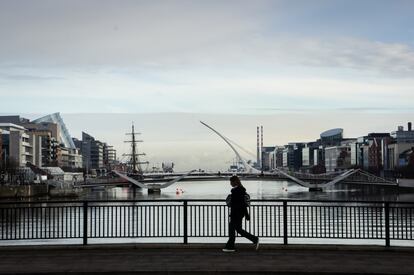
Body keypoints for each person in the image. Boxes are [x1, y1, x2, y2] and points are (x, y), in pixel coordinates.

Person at [223, 175, 259, 252]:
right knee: (238, 230)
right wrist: (246, 215)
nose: (230, 183)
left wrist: (246, 215)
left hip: (236, 213)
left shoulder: (236, 191)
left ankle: (230, 247)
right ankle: (254, 239)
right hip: (240, 213)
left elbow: (239, 203)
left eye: (231, 182)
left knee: (232, 228)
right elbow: (243, 204)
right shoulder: (241, 190)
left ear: (235, 181)